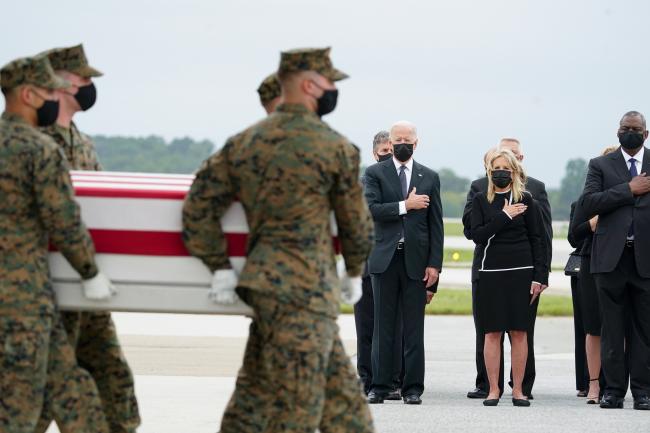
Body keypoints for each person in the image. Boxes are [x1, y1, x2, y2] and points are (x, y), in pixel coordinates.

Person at [183, 47, 375, 432]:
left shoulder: (245, 142)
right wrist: (354, 271)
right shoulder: (334, 146)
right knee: (295, 408)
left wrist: (219, 267)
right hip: (306, 289)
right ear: (308, 85)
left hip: (267, 285)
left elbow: (198, 208)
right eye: (329, 83)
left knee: (339, 408)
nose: (333, 90)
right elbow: (356, 223)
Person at [0, 54, 115, 432]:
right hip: (22, 298)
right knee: (24, 403)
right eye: (50, 90)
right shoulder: (38, 149)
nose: (56, 96)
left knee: (69, 390)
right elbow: (63, 219)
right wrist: (90, 270)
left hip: (25, 299)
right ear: (29, 95)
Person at [34, 44, 141, 433]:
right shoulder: (29, 141)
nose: (90, 86)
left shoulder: (82, 143)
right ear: (60, 83)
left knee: (112, 385)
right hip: (43, 289)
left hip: (86, 290)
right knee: (35, 393)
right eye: (84, 79)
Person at [463, 138, 552, 399]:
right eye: (496, 168)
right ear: (489, 171)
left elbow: (538, 238)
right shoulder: (480, 199)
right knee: (491, 333)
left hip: (521, 273)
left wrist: (539, 276)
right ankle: (492, 389)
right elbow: (477, 234)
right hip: (490, 274)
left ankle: (520, 391)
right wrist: (505, 215)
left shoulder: (527, 199)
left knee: (519, 333)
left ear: (514, 171)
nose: (501, 172)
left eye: (505, 168)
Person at [364, 120, 444, 405]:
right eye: (397, 139)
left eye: (406, 139)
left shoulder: (429, 177)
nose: (401, 143)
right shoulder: (374, 174)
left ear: (416, 142)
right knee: (383, 327)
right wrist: (405, 206)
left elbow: (436, 226)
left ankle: (412, 388)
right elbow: (371, 209)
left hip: (416, 263)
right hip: (385, 260)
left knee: (413, 329)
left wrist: (435, 265)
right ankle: (379, 386)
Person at [580, 111, 650, 410]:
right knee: (612, 329)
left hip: (645, 259)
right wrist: (628, 190)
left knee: (644, 330)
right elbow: (589, 203)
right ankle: (614, 391)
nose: (630, 132)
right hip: (611, 259)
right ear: (617, 131)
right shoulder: (600, 165)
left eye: (636, 129)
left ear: (645, 134)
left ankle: (644, 391)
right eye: (625, 128)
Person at [354, 130, 403, 399]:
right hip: (366, 262)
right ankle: (366, 378)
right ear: (375, 154)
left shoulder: (408, 183)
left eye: (392, 151)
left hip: (394, 264)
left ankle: (393, 379)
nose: (388, 157)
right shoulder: (362, 185)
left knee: (395, 328)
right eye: (384, 152)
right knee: (366, 326)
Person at [570, 146, 619, 404]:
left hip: (623, 264)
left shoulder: (630, 197)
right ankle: (593, 383)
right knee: (593, 328)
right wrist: (591, 223)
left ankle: (618, 383)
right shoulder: (585, 202)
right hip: (591, 264)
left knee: (623, 328)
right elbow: (572, 236)